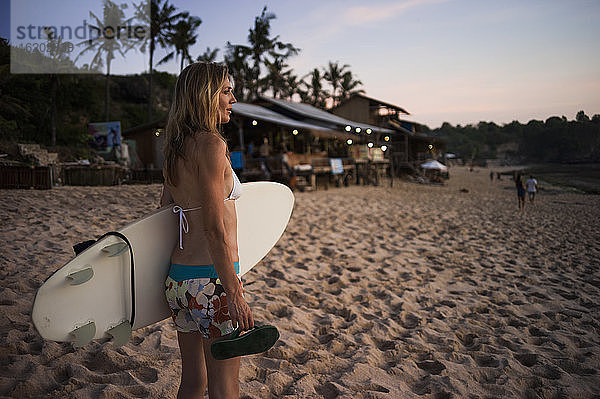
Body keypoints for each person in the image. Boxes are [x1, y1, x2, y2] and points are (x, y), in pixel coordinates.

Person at [159, 62, 273, 398]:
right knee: (226, 385)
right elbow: (213, 227)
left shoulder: (174, 149)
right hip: (212, 282)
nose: (232, 99)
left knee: (193, 382)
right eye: (225, 91)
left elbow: (165, 212)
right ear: (204, 96)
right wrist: (234, 291)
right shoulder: (211, 145)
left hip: (179, 283)